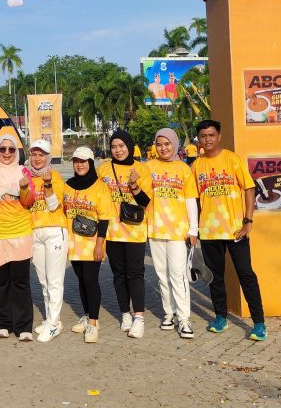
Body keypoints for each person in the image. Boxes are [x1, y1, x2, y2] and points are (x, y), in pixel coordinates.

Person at [192, 119, 267, 342]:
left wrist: (248, 220)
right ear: (199, 139)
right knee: (215, 277)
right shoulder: (196, 166)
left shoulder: (232, 159)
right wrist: (194, 228)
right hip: (209, 232)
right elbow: (193, 199)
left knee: (246, 274)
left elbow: (249, 188)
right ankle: (220, 317)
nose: (207, 139)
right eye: (203, 136)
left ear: (219, 136)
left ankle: (259, 323)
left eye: (211, 135)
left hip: (235, 230)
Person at [0, 134, 36, 341]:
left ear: (17, 152)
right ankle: (2, 324)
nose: (6, 153)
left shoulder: (23, 172)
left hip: (20, 231)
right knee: (0, 281)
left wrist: (24, 188)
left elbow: (29, 201)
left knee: (21, 282)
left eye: (11, 149)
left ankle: (23, 326)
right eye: (2, 149)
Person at [145, 129, 199, 337]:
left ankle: (184, 318)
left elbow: (191, 200)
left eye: (167, 144)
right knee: (162, 275)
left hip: (178, 231)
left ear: (175, 144)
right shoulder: (148, 167)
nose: (163, 148)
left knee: (178, 275)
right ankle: (169, 313)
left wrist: (193, 229)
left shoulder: (184, 169)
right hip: (155, 229)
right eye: (159, 144)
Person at [99, 129, 153, 338]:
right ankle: (125, 313)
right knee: (118, 275)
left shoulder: (142, 169)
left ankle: (139, 317)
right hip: (112, 230)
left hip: (134, 231)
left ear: (129, 146)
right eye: (114, 146)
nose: (118, 150)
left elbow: (145, 202)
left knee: (135, 273)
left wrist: (134, 185)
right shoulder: (104, 168)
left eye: (121, 146)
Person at [61, 146, 114, 343]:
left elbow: (104, 218)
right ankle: (86, 315)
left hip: (92, 242)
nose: (79, 165)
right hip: (73, 242)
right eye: (76, 161)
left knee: (91, 280)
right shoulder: (68, 185)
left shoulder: (100, 187)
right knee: (82, 280)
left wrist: (100, 244)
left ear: (91, 163)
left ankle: (93, 322)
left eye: (83, 161)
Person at [25, 139, 67, 343]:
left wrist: (48, 183)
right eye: (34, 154)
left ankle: (53, 323)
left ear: (48, 157)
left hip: (54, 231)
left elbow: (52, 205)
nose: (37, 158)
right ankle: (52, 319)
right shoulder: (26, 177)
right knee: (43, 280)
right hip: (34, 232)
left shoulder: (55, 176)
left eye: (41, 155)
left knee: (54, 279)